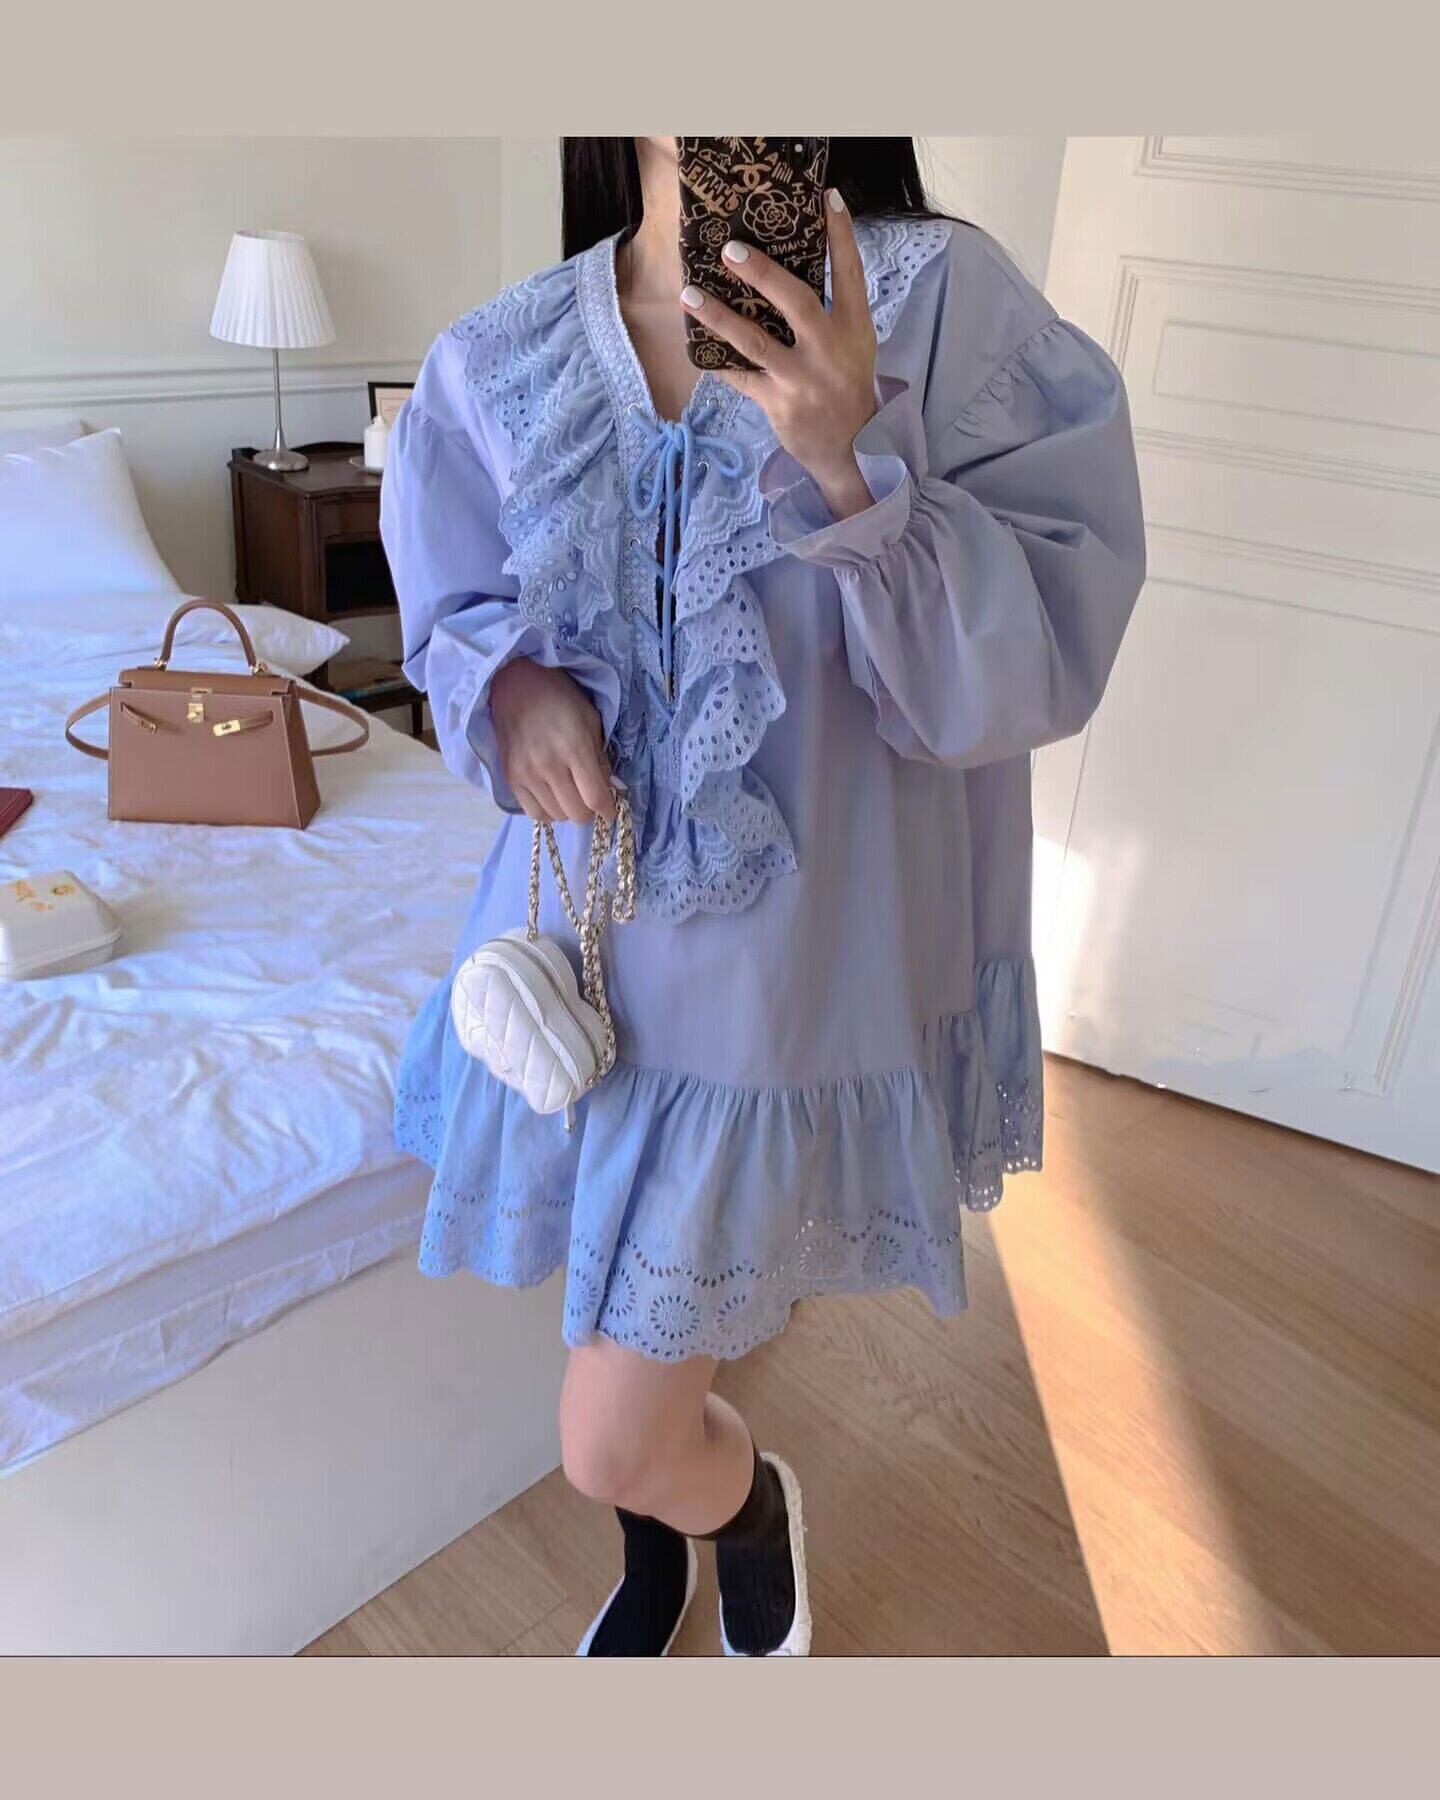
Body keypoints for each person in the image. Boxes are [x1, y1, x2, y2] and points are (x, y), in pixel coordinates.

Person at [379, 136, 1147, 1657]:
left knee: (609, 1430)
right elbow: (455, 604)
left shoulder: (943, 304)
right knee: (614, 1295)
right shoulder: (511, 350)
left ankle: (739, 1512)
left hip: (787, 987)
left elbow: (1035, 656)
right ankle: (665, 1546)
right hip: (585, 954)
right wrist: (510, 690)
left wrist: (849, 466)